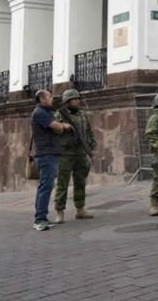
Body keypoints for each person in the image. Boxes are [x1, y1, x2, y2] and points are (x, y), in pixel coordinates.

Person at [53, 89, 97, 224]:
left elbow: (88, 131)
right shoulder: (59, 115)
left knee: (80, 181)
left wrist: (92, 146)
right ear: (67, 102)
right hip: (65, 153)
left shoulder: (83, 115)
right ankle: (59, 212)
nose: (78, 101)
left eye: (78, 99)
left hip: (80, 152)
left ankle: (80, 209)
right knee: (62, 184)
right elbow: (54, 131)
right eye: (74, 99)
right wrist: (63, 127)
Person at [31, 89, 72, 231]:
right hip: (46, 154)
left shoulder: (45, 112)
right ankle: (39, 219)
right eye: (49, 96)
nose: (52, 98)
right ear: (42, 99)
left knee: (45, 186)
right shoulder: (40, 113)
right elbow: (55, 127)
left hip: (50, 153)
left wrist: (59, 128)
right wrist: (64, 126)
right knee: (46, 186)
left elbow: (55, 129)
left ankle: (42, 217)